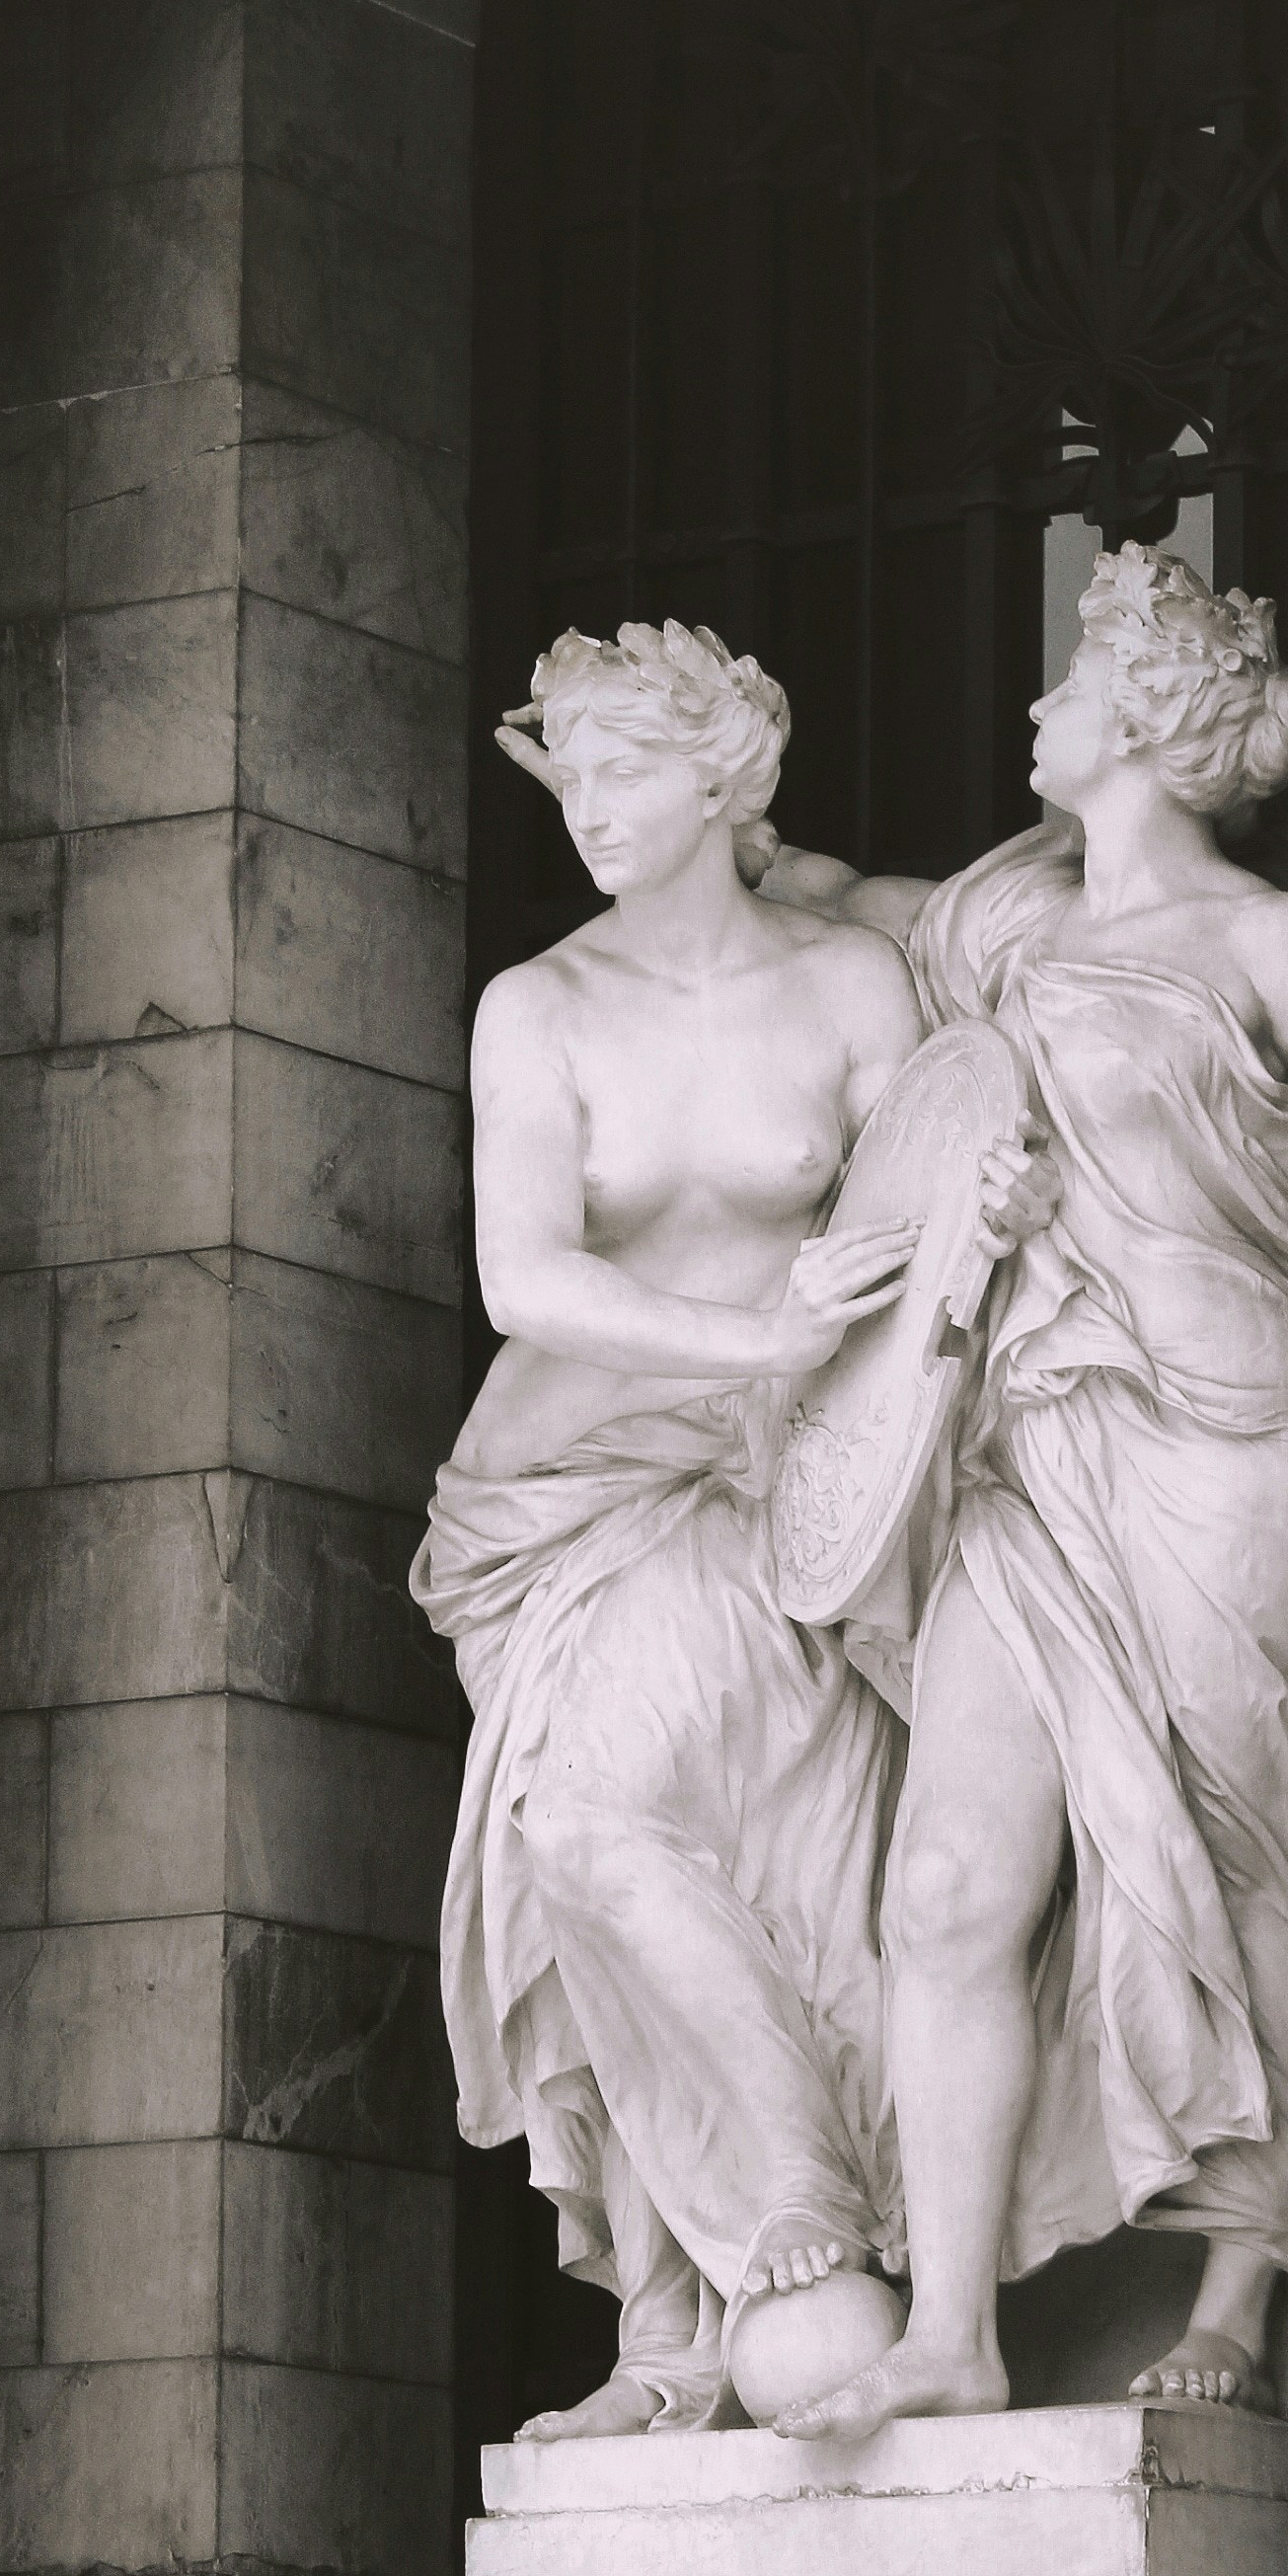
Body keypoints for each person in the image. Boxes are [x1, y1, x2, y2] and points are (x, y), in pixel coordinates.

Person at [754, 543, 1288, 2437]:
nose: (1030, 705)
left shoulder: (1272, 942)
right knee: (942, 1890)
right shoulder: (1006, 935)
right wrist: (710, 837)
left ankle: (1245, 2288)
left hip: (1233, 1442)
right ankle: (948, 2331)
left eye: (1070, 675)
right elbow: (850, 917)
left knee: (1254, 1875)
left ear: (1150, 716)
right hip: (1029, 1448)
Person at [417, 619, 1052, 2435]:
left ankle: (699, 2319)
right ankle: (760, 2237)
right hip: (567, 1498)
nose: (588, 812)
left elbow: (940, 1180)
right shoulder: (538, 1008)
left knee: (752, 1858)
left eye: (623, 770)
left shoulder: (852, 989)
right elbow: (524, 1274)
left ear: (726, 776)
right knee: (590, 1838)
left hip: (791, 1497)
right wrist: (749, 1333)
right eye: (573, 777)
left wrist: (981, 1215)